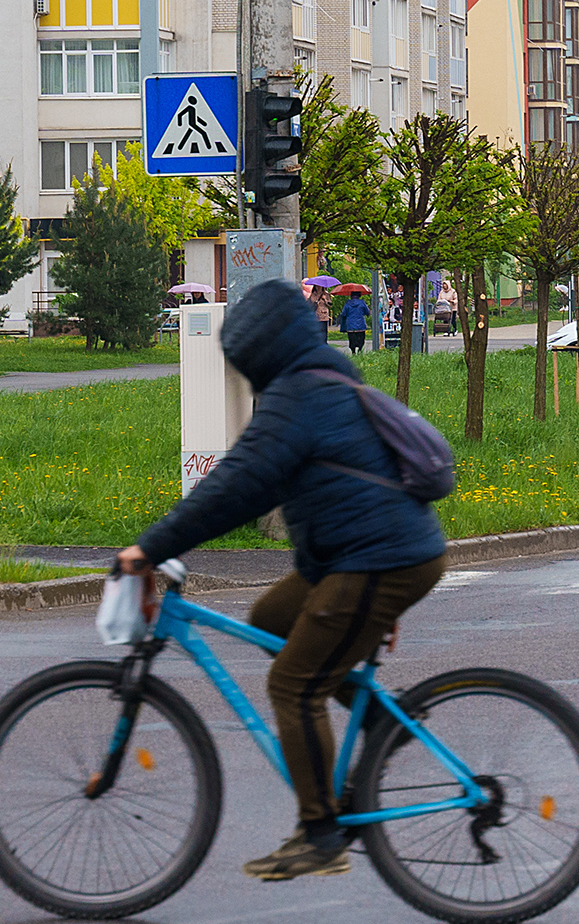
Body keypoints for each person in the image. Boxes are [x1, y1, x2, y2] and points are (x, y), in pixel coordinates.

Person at [115, 280, 445, 882]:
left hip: (380, 558)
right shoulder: (320, 383)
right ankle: (382, 723)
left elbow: (233, 488)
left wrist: (149, 548)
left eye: (246, 364)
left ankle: (321, 833)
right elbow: (271, 490)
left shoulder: (299, 397)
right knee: (271, 620)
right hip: (363, 555)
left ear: (264, 354)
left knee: (294, 685)